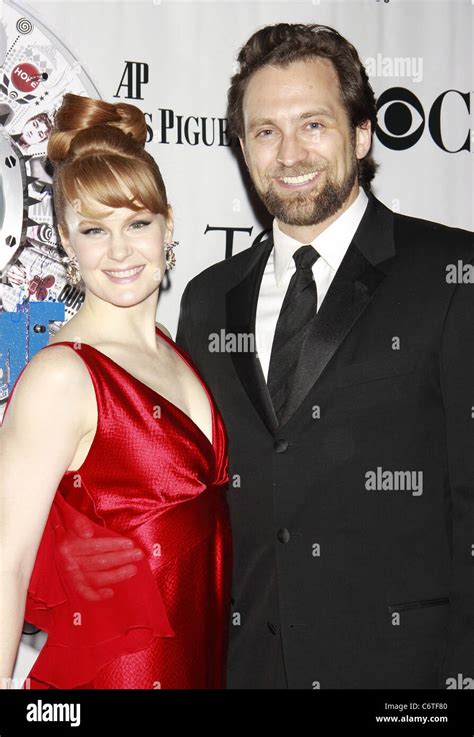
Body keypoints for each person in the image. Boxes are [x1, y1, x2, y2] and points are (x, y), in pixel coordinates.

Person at [50, 23, 474, 689]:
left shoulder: (450, 272)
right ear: (243, 147)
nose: (289, 153)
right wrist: (73, 550)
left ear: (363, 133)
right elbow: (180, 487)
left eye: (313, 124)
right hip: (242, 670)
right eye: (265, 131)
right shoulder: (208, 300)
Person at [0, 93, 232, 690]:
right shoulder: (63, 376)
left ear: (168, 226)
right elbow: (6, 563)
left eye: (137, 223)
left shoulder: (174, 353)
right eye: (94, 230)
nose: (121, 250)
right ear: (64, 241)